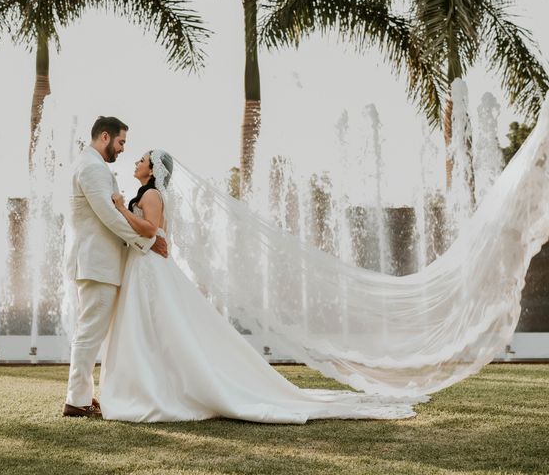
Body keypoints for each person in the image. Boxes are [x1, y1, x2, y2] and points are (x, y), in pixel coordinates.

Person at [98, 150, 420, 423]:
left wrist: (120, 209)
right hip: (144, 266)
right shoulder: (148, 194)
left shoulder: (153, 195)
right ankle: (149, 384)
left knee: (158, 327)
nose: (135, 162)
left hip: (150, 268)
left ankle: (154, 389)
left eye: (141, 159)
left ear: (152, 169)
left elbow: (151, 229)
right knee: (150, 328)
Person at [63, 117, 168, 418]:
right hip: (96, 263)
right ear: (105, 137)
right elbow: (109, 216)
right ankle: (76, 401)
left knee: (92, 331)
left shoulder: (94, 166)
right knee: (89, 332)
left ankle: (82, 395)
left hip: (99, 264)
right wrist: (146, 243)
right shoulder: (92, 167)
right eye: (121, 142)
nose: (123, 149)